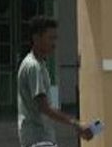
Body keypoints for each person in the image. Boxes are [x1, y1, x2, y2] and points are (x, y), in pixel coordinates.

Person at [18, 15, 94, 147]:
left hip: (41, 138)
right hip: (38, 138)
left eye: (55, 38)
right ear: (36, 38)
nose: (54, 43)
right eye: (50, 38)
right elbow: (44, 107)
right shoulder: (33, 66)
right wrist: (75, 123)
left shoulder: (39, 65)